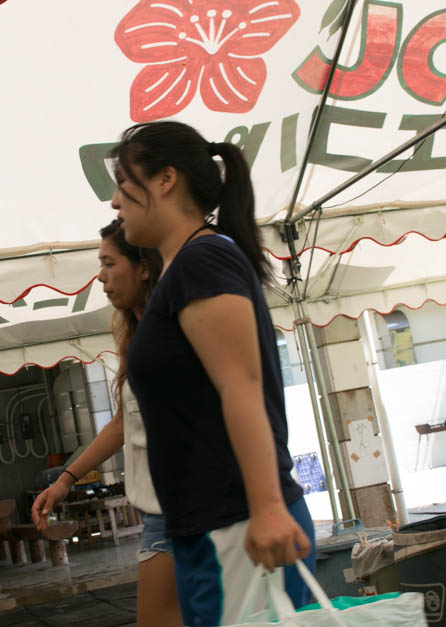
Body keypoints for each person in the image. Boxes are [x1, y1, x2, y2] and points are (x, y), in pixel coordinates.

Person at [110, 121, 317, 625]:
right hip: (209, 525)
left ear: (165, 180)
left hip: (238, 523)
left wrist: (267, 506)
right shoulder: (184, 268)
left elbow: (241, 386)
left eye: (122, 183)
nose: (115, 203)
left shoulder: (203, 261)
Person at [30, 220, 181, 627]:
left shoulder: (173, 331)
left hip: (180, 514)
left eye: (109, 263)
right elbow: (122, 423)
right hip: (161, 515)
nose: (101, 277)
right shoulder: (138, 337)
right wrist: (65, 480)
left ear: (144, 268)